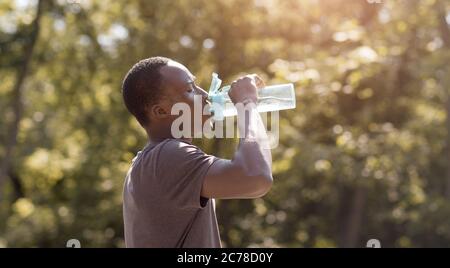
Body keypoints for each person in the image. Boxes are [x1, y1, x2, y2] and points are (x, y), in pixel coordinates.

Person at [121, 56, 273, 248]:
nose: (204, 95)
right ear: (160, 111)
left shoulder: (147, 163)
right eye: (189, 89)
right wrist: (246, 104)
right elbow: (256, 178)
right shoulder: (167, 156)